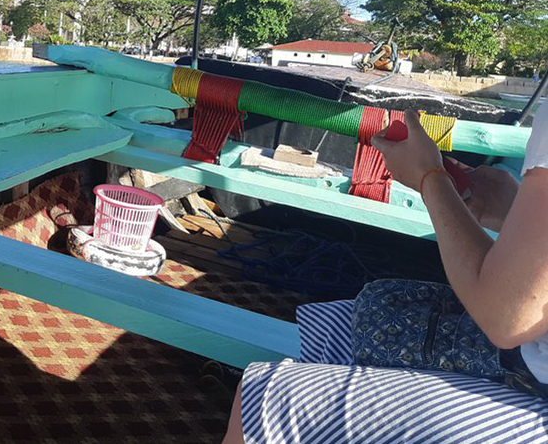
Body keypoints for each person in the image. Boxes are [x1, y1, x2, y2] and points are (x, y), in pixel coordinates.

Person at [221, 108, 548, 443]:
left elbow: (508, 319)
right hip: (529, 360)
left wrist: (431, 179)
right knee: (339, 329)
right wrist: (509, 211)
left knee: (269, 399)